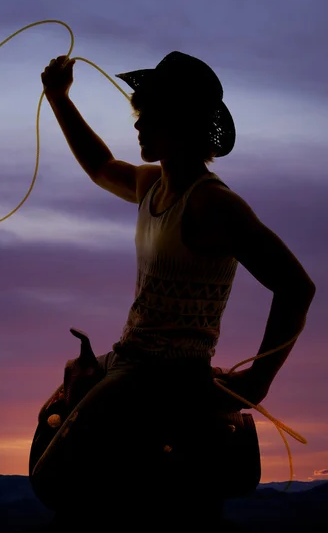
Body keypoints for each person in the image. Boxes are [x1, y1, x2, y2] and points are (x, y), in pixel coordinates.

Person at [31, 51, 316, 530]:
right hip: (130, 357)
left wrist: (256, 382)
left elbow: (296, 287)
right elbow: (101, 165)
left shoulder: (213, 203)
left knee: (52, 479)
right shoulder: (152, 185)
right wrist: (59, 98)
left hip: (168, 374)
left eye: (150, 116)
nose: (138, 126)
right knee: (62, 400)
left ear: (181, 124)